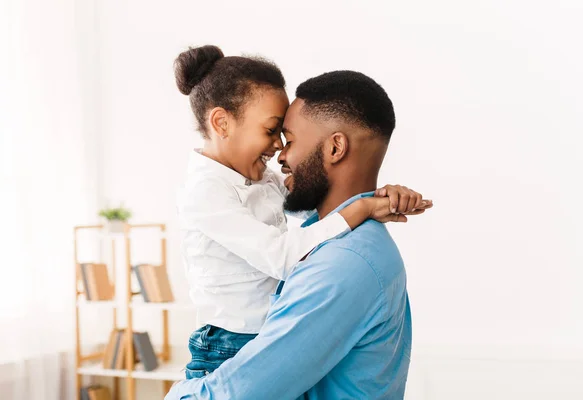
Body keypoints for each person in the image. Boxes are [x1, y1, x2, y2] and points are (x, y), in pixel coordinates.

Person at [175, 45, 431, 381]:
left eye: (285, 136)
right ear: (222, 122)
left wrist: (382, 199)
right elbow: (284, 255)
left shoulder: (258, 178)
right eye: (271, 131)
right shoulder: (205, 193)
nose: (279, 147)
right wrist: (363, 207)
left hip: (263, 335)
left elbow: (316, 200)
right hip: (227, 346)